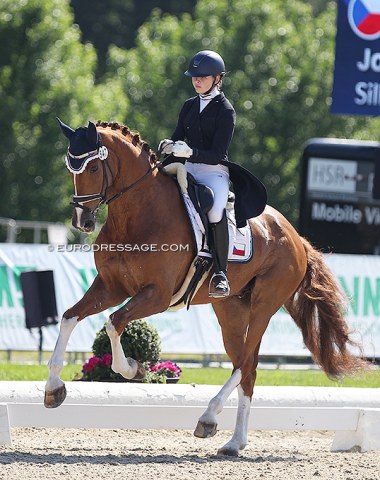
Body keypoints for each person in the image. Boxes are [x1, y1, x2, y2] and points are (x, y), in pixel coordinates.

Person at [158, 50, 236, 298]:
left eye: (203, 77)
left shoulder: (226, 110)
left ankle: (221, 273)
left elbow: (217, 153)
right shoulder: (189, 106)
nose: (197, 81)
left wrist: (189, 152)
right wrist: (167, 147)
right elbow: (178, 136)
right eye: (194, 77)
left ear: (217, 78)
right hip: (187, 167)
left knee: (214, 210)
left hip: (213, 171)